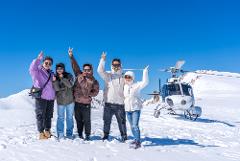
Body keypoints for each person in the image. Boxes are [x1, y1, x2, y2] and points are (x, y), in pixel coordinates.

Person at [68, 48, 99, 141]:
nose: (86, 71)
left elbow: (96, 91)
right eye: (85, 69)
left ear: (91, 70)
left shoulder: (94, 80)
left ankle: (88, 135)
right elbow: (75, 66)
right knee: (78, 119)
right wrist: (71, 56)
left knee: (87, 120)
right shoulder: (79, 75)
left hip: (86, 103)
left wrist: (89, 94)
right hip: (77, 102)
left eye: (88, 70)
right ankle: (80, 134)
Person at [97, 52, 127, 142]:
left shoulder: (124, 76)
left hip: (120, 105)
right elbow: (99, 71)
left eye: (117, 64)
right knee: (106, 121)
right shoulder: (108, 75)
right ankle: (106, 136)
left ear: (120, 65)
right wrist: (103, 59)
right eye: (114, 64)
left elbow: (130, 85)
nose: (116, 66)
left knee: (121, 122)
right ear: (111, 65)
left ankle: (124, 136)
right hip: (108, 104)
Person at [29, 51, 55, 140]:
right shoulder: (38, 72)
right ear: (43, 63)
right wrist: (38, 59)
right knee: (40, 115)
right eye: (46, 63)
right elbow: (32, 69)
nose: (48, 64)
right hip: (41, 97)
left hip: (51, 98)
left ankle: (47, 131)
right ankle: (41, 132)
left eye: (50, 63)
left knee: (49, 115)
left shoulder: (52, 74)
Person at [123, 66, 149, 149]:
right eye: (126, 77)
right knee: (131, 126)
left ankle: (138, 141)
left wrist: (145, 72)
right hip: (127, 109)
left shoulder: (137, 85)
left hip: (135, 109)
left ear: (132, 77)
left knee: (135, 126)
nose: (127, 78)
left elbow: (145, 82)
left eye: (129, 77)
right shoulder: (124, 86)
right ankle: (135, 139)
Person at [53, 63, 75, 140]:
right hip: (60, 101)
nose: (59, 70)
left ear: (64, 69)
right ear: (56, 70)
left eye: (61, 68)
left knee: (69, 118)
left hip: (70, 100)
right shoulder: (55, 77)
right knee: (60, 118)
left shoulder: (69, 75)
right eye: (58, 69)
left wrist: (63, 78)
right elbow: (57, 89)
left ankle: (69, 134)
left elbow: (70, 85)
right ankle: (60, 134)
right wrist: (55, 81)